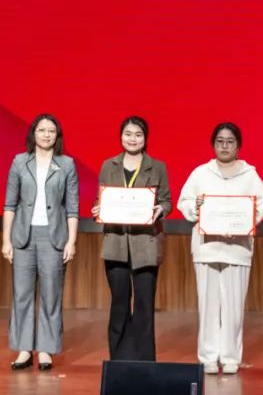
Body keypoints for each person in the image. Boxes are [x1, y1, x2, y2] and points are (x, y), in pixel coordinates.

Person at [177, 122, 263, 375]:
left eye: (230, 141)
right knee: (207, 305)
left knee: (233, 307)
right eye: (220, 141)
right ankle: (207, 357)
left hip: (237, 249)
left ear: (238, 146)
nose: (224, 146)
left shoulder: (250, 175)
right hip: (207, 248)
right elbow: (184, 203)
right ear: (213, 144)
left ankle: (230, 357)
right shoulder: (200, 173)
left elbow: (259, 207)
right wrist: (196, 207)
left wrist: (241, 226)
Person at [1, 114, 80, 371]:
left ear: (57, 136)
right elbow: (9, 205)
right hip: (23, 237)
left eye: (51, 131)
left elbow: (72, 209)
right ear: (33, 134)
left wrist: (71, 241)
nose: (46, 135)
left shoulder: (66, 164)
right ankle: (24, 349)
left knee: (51, 295)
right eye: (42, 130)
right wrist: (6, 240)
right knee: (22, 295)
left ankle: (46, 350)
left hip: (53, 237)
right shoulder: (19, 162)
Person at [91, 115, 172, 361]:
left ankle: (144, 360)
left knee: (144, 305)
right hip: (115, 243)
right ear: (120, 136)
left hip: (146, 244)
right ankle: (119, 359)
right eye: (128, 134)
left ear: (145, 138)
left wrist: (160, 209)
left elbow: (166, 201)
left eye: (138, 134)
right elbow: (101, 199)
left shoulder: (157, 167)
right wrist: (98, 209)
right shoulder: (108, 165)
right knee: (119, 303)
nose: (132, 139)